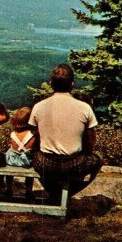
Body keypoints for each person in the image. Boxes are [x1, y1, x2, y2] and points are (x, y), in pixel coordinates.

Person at [29, 64, 103, 203]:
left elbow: (35, 136)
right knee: (98, 159)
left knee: (35, 157)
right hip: (74, 163)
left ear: (51, 84)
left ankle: (54, 194)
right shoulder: (84, 108)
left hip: (46, 163)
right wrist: (84, 153)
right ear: (72, 84)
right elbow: (92, 139)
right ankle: (67, 194)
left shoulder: (39, 107)